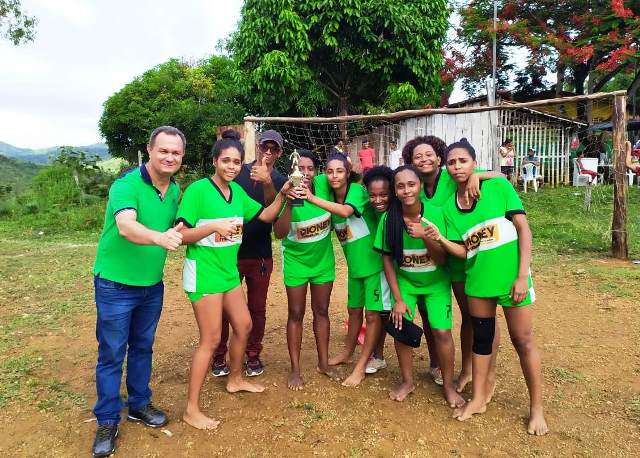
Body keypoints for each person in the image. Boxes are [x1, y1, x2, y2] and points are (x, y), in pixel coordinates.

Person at [428, 138, 548, 436]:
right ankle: (480, 397)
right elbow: (464, 251)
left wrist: (522, 276)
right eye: (451, 163)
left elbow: (524, 230)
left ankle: (536, 408)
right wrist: (439, 238)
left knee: (523, 341)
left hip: (511, 281)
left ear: (474, 163)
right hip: (477, 284)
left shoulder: (498, 188)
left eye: (462, 161)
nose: (456, 167)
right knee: (482, 339)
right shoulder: (446, 210)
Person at [176, 131, 291, 430]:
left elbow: (266, 217)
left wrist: (283, 192)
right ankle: (191, 409)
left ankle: (235, 379)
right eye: (225, 160)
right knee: (212, 339)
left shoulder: (236, 194)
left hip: (228, 275)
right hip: (204, 275)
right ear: (214, 161)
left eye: (236, 162)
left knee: (244, 325)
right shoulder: (198, 191)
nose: (231, 166)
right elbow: (180, 235)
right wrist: (212, 226)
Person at [91, 126, 186, 458]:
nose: (169, 157)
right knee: (112, 353)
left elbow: (179, 225)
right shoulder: (126, 185)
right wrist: (160, 238)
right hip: (115, 285)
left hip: (151, 285)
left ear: (181, 156)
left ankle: (139, 405)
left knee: (143, 346)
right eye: (163, 151)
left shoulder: (174, 190)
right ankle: (106, 420)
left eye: (175, 152)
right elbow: (126, 225)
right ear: (149, 150)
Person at [402, 135, 503, 391]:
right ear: (410, 162)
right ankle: (440, 363)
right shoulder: (413, 185)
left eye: (429, 154)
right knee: (437, 313)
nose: (424, 159)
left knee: (477, 315)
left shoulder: (452, 174)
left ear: (439, 158)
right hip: (443, 261)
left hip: (470, 254)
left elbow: (499, 177)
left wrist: (477, 176)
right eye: (417, 156)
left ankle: (473, 370)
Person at [373, 165, 465, 407]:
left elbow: (444, 259)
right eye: (400, 186)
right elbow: (386, 259)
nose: (406, 190)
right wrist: (398, 299)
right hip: (406, 283)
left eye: (411, 185)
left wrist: (425, 235)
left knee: (442, 332)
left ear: (420, 186)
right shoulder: (389, 219)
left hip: (436, 283)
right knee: (401, 327)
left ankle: (447, 385)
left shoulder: (436, 213)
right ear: (395, 190)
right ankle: (407, 381)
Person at [302, 153, 391, 387]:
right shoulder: (328, 192)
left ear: (348, 171)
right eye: (329, 171)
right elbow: (308, 174)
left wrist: (310, 197)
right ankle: (348, 352)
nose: (334, 176)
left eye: (339, 171)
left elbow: (345, 212)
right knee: (353, 311)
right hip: (355, 269)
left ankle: (362, 366)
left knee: (372, 316)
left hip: (375, 266)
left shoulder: (357, 192)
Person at [212, 129, 288, 378]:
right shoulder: (236, 170)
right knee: (224, 307)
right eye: (264, 146)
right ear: (257, 146)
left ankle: (253, 355)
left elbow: (272, 215)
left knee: (257, 308)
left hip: (260, 254)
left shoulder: (281, 180)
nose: (268, 152)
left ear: (279, 153)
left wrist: (268, 183)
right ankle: (219, 354)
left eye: (273, 149)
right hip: (230, 253)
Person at [273, 150, 338, 390]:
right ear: (292, 171)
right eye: (301, 168)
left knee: (322, 311)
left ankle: (324, 363)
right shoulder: (285, 192)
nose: (306, 173)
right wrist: (289, 202)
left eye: (311, 168)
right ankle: (295, 369)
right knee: (296, 313)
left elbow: (343, 172)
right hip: (296, 264)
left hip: (323, 264)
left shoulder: (323, 185)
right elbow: (279, 234)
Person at [362, 165, 394, 374]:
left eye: (383, 194)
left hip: (409, 269)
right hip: (383, 266)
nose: (378, 200)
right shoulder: (368, 208)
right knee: (378, 312)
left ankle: (436, 364)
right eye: (373, 195)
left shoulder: (398, 209)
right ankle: (378, 355)